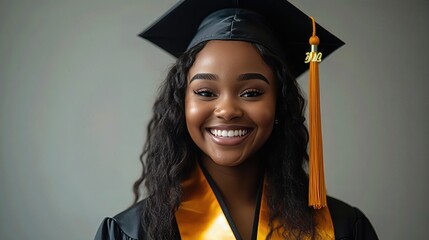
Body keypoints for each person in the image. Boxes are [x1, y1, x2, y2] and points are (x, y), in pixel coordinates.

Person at [95, 0, 378, 239]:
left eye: (252, 92)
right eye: (205, 92)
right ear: (182, 104)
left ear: (280, 105)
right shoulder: (132, 233)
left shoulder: (342, 229)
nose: (227, 110)